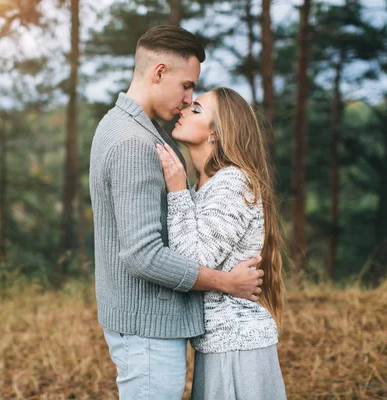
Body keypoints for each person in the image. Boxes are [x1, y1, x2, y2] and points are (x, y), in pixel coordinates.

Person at [89, 26, 265, 399]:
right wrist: (226, 282)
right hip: (147, 330)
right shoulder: (134, 142)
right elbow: (143, 255)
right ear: (159, 73)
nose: (188, 99)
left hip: (147, 324)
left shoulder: (128, 127)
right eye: (186, 86)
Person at [156, 87, 287, 400]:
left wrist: (176, 190)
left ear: (215, 132)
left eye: (197, 109)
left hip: (236, 345)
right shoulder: (211, 185)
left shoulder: (232, 182)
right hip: (222, 342)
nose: (184, 108)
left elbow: (193, 260)